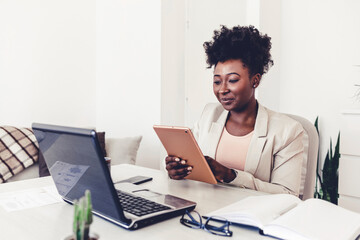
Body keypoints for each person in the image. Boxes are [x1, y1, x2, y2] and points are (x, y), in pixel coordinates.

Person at [165, 25, 304, 196]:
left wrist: (231, 175)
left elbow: (288, 194)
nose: (222, 89)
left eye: (232, 80)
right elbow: (196, 173)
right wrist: (177, 172)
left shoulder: (288, 131)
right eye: (217, 81)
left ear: (255, 80)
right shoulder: (209, 115)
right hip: (206, 211)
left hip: (252, 216)